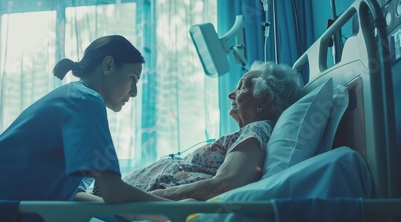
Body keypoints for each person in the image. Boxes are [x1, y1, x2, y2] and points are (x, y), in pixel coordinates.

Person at [0, 35, 170, 208]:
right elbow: (113, 191)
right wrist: (179, 210)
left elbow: (73, 194)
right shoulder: (86, 101)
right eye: (133, 78)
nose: (135, 92)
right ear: (108, 65)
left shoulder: (74, 96)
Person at [118, 60, 303, 201]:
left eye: (241, 87)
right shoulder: (250, 133)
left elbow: (225, 184)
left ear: (264, 100)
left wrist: (153, 197)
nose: (231, 94)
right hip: (125, 196)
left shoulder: (256, 130)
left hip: (134, 202)